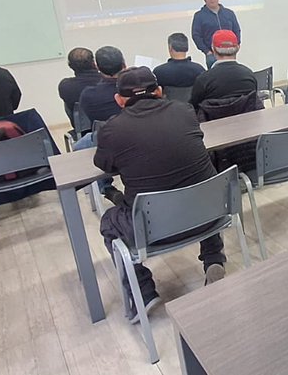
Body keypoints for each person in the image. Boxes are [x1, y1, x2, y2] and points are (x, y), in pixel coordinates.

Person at [95, 67, 227, 322]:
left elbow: (105, 165)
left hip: (153, 228)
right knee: (199, 188)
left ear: (119, 100)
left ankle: (143, 292)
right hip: (209, 213)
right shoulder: (185, 111)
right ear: (159, 92)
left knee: (109, 222)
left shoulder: (113, 130)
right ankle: (214, 259)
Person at [190, 30, 256, 108]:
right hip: (246, 120)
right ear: (238, 48)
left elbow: (194, 108)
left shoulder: (203, 80)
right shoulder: (249, 76)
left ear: (213, 48)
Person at [191, 0, 241, 69]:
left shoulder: (229, 13)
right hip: (212, 54)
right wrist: (206, 51)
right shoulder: (199, 16)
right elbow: (196, 35)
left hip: (230, 52)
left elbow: (236, 30)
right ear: (205, 0)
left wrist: (238, 44)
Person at [78, 46, 127, 123]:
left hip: (104, 133)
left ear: (97, 67)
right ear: (124, 65)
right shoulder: (137, 88)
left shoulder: (88, 95)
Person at [57, 47, 102, 128]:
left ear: (70, 66)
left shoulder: (65, 86)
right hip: (109, 127)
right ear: (94, 63)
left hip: (83, 130)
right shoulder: (108, 82)